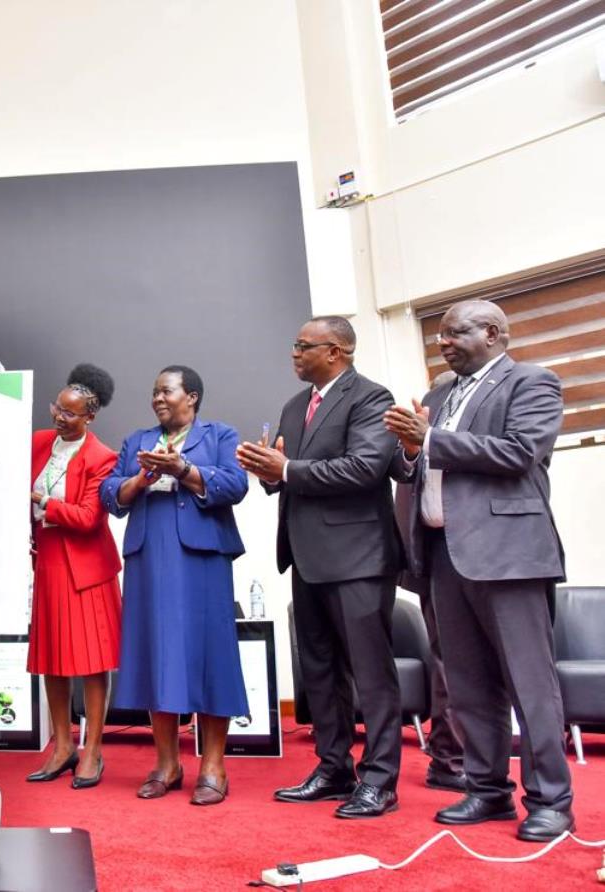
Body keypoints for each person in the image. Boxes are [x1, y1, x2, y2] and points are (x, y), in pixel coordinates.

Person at [384, 299, 573, 842]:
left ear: (492, 333)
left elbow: (520, 452)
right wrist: (407, 447)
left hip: (510, 555)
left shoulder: (533, 382)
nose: (441, 342)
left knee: (528, 683)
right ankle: (488, 791)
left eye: (453, 333)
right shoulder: (441, 395)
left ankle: (551, 801)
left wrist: (431, 441)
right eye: (438, 335)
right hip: (444, 554)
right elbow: (420, 465)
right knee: (467, 685)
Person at [237, 315, 402, 819]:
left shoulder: (371, 397)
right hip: (306, 558)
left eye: (301, 345)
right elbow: (290, 476)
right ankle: (333, 768)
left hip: (358, 558)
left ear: (336, 351)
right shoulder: (294, 406)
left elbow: (365, 467)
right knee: (321, 672)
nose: (293, 353)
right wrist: (269, 469)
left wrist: (286, 469)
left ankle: (379, 780)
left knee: (370, 674)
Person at [100, 365, 248, 806]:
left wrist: (182, 468)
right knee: (154, 654)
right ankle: (166, 764)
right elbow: (110, 495)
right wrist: (139, 479)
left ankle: (213, 766)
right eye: (154, 392)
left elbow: (236, 485)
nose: (158, 399)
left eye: (166, 391)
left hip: (202, 557)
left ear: (193, 397)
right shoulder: (138, 441)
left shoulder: (220, 435)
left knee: (211, 654)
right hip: (149, 557)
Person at [24, 364, 122, 790]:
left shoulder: (103, 457)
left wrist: (43, 502)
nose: (58, 418)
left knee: (91, 663)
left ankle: (93, 750)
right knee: (52, 660)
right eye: (56, 408)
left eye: (69, 414)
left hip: (86, 570)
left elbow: (85, 518)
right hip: (47, 563)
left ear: (90, 417)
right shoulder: (39, 443)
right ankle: (62, 746)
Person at [393, 369, 466, 795]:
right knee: (448, 661)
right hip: (436, 556)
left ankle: (480, 757)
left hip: (489, 556)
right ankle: (449, 758)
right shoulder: (421, 421)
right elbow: (408, 487)